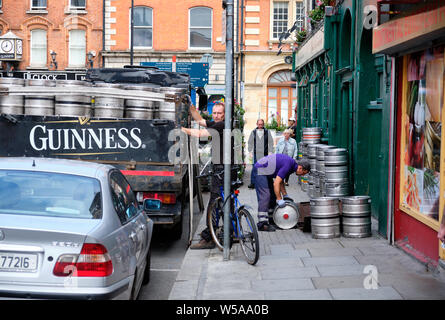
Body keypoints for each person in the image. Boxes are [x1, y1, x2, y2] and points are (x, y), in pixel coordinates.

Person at [182, 102, 226, 249]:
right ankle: (228, 233)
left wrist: (180, 129)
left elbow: (200, 133)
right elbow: (200, 121)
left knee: (214, 202)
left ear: (224, 114)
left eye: (219, 113)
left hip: (222, 168)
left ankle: (209, 238)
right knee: (225, 202)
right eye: (214, 113)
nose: (216, 115)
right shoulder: (217, 123)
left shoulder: (221, 125)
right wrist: (192, 109)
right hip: (224, 167)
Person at [254, 154, 310, 232]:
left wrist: (285, 195)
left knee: (272, 196)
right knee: (265, 195)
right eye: (304, 173)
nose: (302, 175)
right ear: (300, 168)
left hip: (266, 172)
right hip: (260, 170)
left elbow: (281, 181)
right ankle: (262, 224)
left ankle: (271, 219)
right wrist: (279, 199)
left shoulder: (292, 167)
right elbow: (276, 183)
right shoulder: (289, 165)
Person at [247, 119, 274, 189]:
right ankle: (253, 183)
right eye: (259, 125)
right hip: (256, 153)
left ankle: (266, 183)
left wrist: (271, 151)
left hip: (265, 153)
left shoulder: (267, 132)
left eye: (261, 125)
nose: (260, 126)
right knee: (255, 168)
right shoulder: (253, 132)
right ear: (256, 124)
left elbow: (271, 142)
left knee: (265, 168)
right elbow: (250, 142)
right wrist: (250, 151)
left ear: (263, 124)